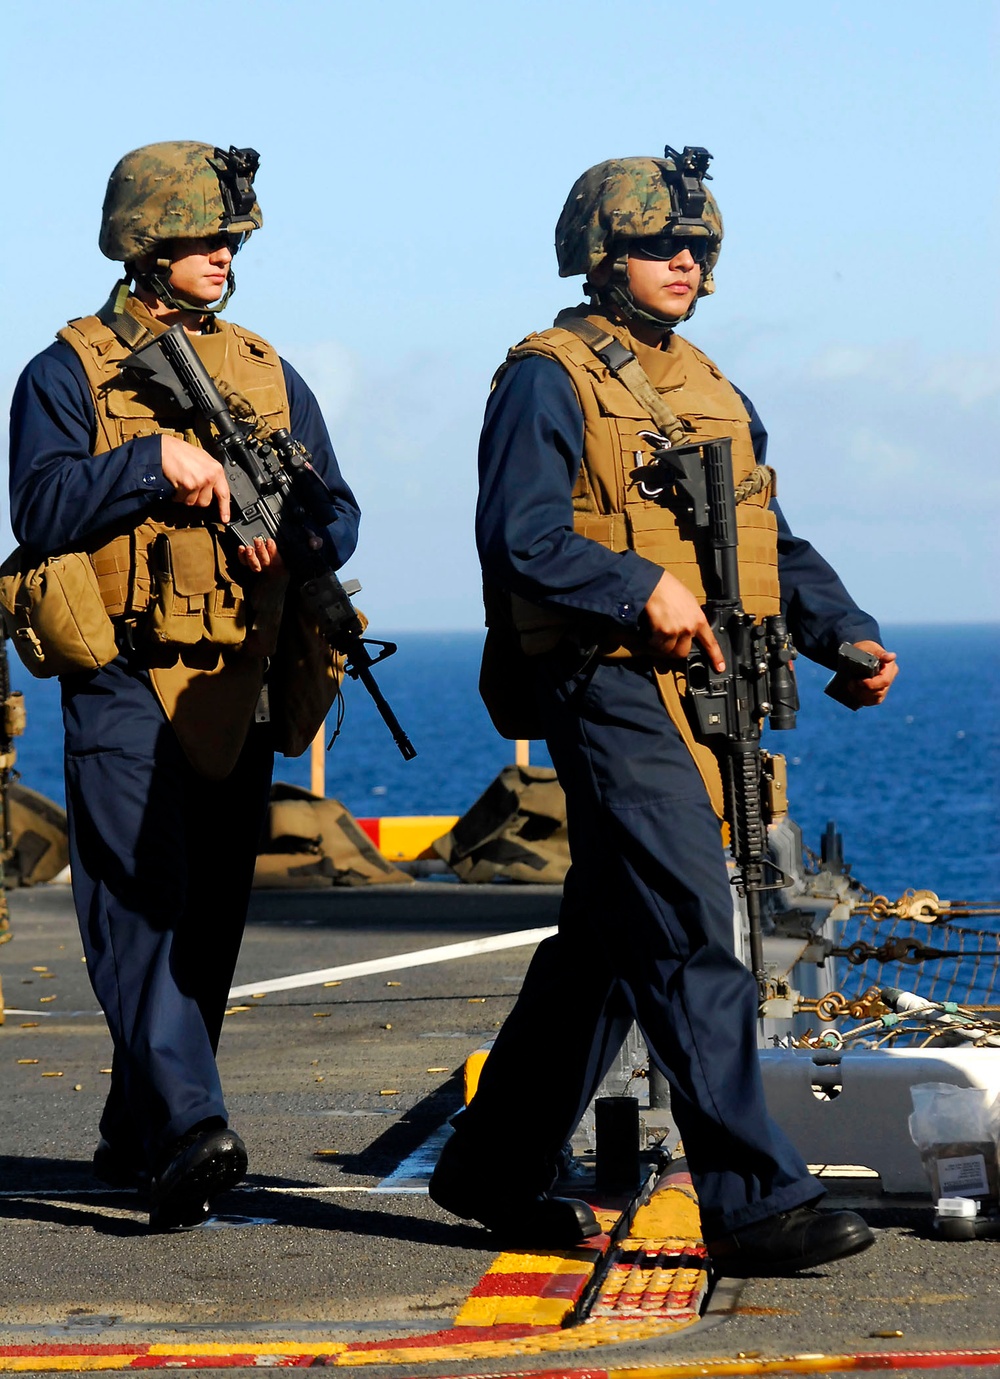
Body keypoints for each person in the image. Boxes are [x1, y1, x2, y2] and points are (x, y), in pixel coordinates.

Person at [429, 146, 898, 1273]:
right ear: (602, 254)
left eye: (697, 248)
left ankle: (492, 1163)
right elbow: (523, 538)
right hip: (601, 679)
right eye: (656, 245)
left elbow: (765, 539)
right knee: (693, 925)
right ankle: (750, 1198)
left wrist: (843, 630)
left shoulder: (712, 384)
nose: (684, 262)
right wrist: (635, 585)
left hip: (701, 689)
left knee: (609, 941)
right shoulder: (548, 377)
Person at [6, 141, 360, 1231]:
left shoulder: (265, 369)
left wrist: (288, 541)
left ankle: (138, 1125)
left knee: (206, 926)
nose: (222, 255)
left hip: (238, 678)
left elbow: (336, 515)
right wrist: (153, 465)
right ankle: (196, 1124)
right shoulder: (67, 371)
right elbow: (43, 509)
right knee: (137, 915)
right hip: (121, 671)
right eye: (204, 238)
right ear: (145, 243)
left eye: (230, 240)